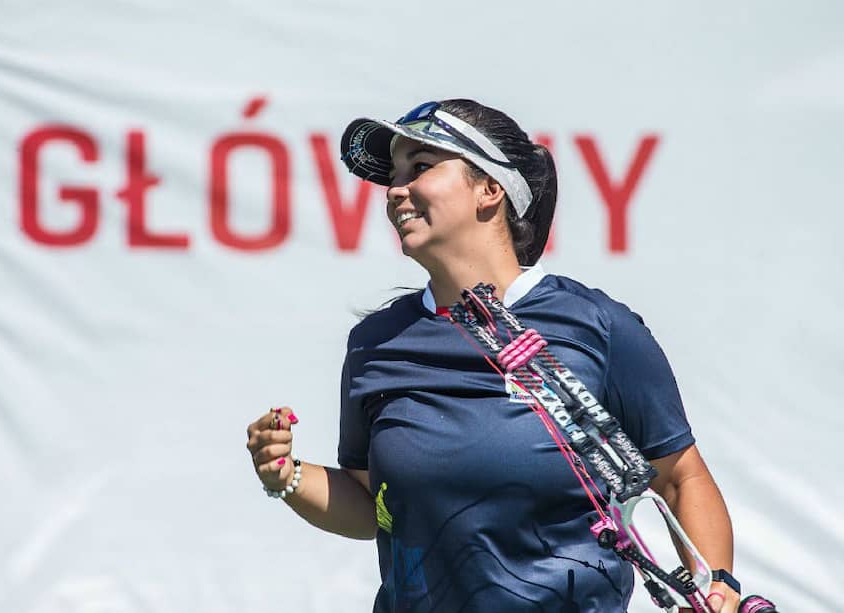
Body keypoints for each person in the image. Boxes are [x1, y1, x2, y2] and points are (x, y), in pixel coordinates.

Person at [246, 99, 738, 613]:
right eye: (393, 174)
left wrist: (716, 585)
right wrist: (287, 475)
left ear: (490, 189)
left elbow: (682, 478)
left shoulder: (600, 326)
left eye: (420, 167)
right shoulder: (375, 342)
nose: (395, 190)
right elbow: (374, 507)